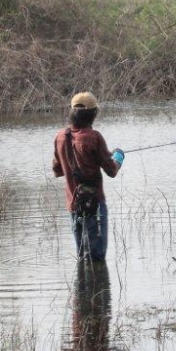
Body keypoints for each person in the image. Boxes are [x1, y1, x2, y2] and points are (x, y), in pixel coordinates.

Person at [51, 92, 124, 261]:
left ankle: (83, 287)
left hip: (74, 206)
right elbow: (112, 170)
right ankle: (97, 286)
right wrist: (118, 156)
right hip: (95, 205)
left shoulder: (60, 137)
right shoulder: (93, 137)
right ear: (93, 114)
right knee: (97, 258)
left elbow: (57, 170)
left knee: (83, 258)